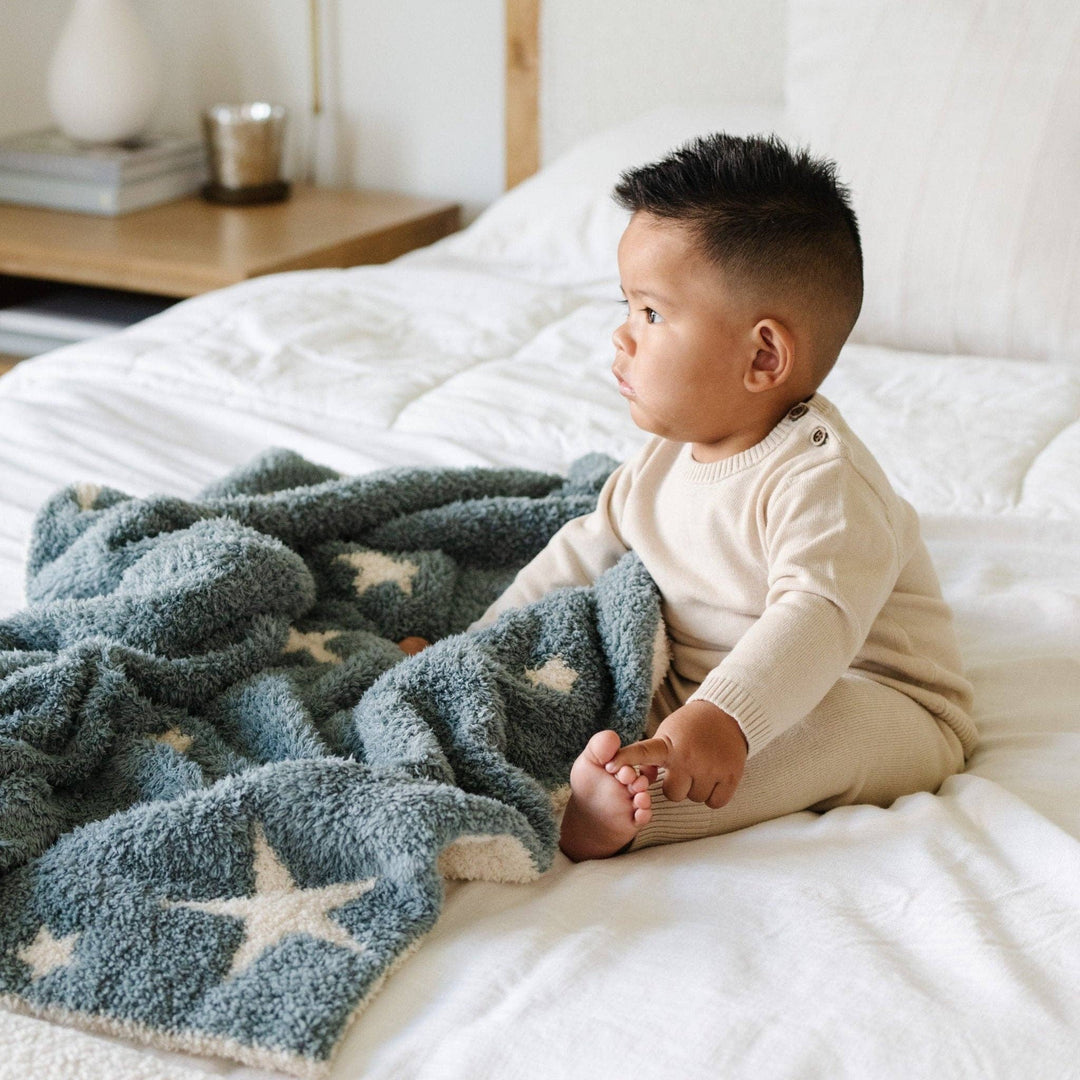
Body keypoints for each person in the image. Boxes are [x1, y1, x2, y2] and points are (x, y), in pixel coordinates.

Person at [472, 132, 977, 861]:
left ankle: (622, 820)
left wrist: (726, 715)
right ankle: (623, 770)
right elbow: (583, 550)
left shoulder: (823, 483)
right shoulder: (663, 459)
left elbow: (815, 620)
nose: (621, 337)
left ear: (763, 356)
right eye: (627, 305)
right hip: (702, 698)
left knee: (821, 731)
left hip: (876, 698)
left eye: (651, 314)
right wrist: (481, 640)